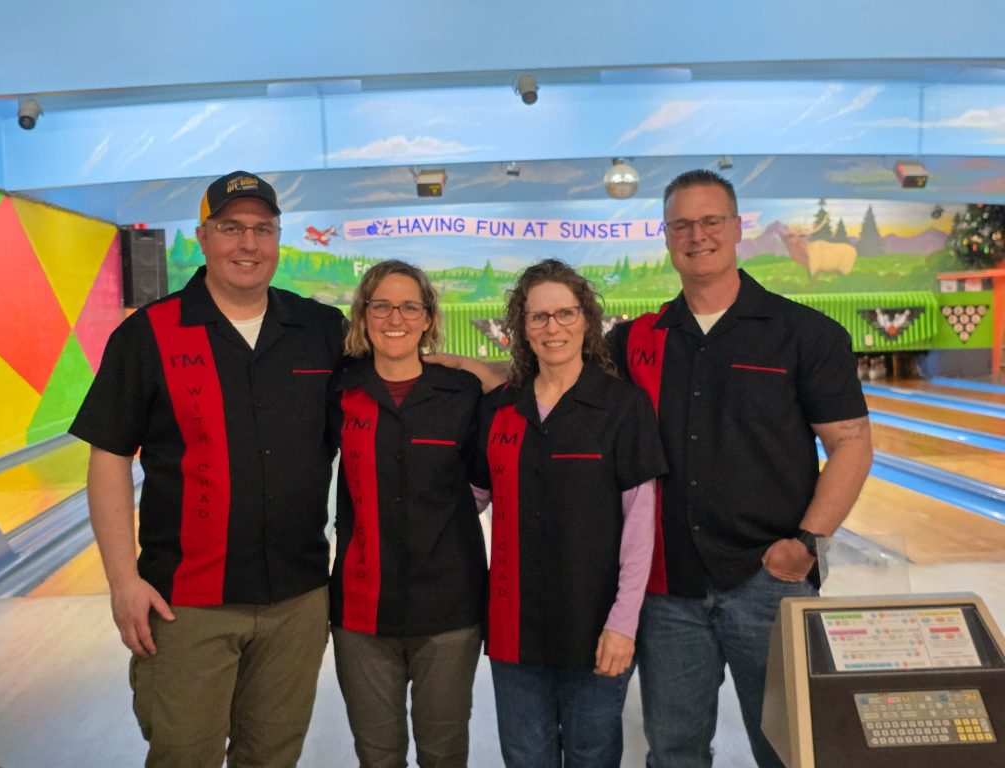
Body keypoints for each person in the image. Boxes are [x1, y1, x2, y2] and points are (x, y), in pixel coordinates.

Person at [70, 171, 345, 768]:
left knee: (273, 757)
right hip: (187, 603)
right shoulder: (148, 335)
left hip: (297, 600)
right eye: (231, 228)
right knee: (183, 756)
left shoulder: (321, 332)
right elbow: (109, 457)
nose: (247, 244)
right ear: (202, 236)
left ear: (278, 238)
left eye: (262, 229)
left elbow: (400, 374)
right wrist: (122, 581)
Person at [606, 169, 873, 768]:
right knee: (674, 751)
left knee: (788, 747)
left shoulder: (805, 334)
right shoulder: (636, 341)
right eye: (681, 224)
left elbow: (852, 444)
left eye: (710, 221)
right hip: (668, 589)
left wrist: (805, 545)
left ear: (736, 227)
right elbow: (555, 384)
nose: (696, 235)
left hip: (769, 581)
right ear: (666, 234)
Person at [475, 259, 667, 768]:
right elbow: (466, 500)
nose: (552, 327)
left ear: (586, 320)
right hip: (513, 627)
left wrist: (624, 624)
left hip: (595, 626)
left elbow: (640, 528)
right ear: (522, 327)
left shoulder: (623, 407)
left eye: (564, 313)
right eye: (538, 317)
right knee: (525, 758)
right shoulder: (500, 409)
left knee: (592, 755)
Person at [327, 260, 487, 768]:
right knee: (378, 757)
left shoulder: (462, 394)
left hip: (449, 611)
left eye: (409, 306)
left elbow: (488, 480)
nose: (394, 317)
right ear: (363, 314)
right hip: (360, 612)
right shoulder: (340, 391)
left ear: (427, 317)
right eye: (381, 305)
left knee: (443, 754)